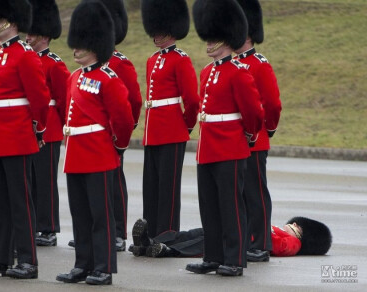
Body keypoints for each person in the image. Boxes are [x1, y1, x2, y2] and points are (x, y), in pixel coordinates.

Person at [0, 0, 50, 279]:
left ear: (12, 22)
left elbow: (39, 99)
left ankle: (27, 260)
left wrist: (38, 130)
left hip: (16, 136)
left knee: (20, 201)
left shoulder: (24, 54)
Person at [55, 0, 133, 285]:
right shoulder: (74, 77)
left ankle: (103, 266)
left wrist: (117, 147)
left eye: (82, 44)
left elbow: (123, 120)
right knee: (80, 215)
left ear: (96, 44)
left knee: (101, 216)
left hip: (99, 153)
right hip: (75, 153)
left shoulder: (108, 78)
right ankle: (83, 264)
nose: (75, 49)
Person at [187, 0, 264, 277]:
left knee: (231, 206)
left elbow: (254, 113)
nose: (208, 44)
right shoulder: (207, 71)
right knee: (209, 205)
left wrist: (247, 136)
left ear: (229, 39)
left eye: (215, 39)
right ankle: (213, 255)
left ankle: (234, 258)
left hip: (230, 147)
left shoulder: (239, 72)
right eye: (208, 38)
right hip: (207, 146)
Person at [68, 0, 142, 252]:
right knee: (84, 207)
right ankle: (87, 256)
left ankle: (117, 231)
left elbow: (131, 103)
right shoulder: (77, 76)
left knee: (110, 192)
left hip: (103, 143)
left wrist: (118, 140)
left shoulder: (117, 67)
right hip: (81, 147)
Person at [139, 0, 199, 245]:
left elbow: (192, 100)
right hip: (153, 130)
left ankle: (167, 233)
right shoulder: (152, 60)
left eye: (161, 30)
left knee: (168, 187)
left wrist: (185, 126)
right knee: (151, 185)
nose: (156, 35)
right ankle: (150, 230)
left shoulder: (181, 59)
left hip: (173, 130)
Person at [234, 0, 282, 262]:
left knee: (255, 192)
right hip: (234, 139)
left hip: (256, 138)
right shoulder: (232, 65)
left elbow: (273, 103)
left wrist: (269, 130)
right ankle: (246, 239)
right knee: (240, 193)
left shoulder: (259, 64)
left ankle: (261, 242)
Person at [26, 0, 70, 247]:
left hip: (50, 129)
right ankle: (34, 223)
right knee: (30, 179)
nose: (28, 37)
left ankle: (48, 228)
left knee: (45, 181)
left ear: (44, 35)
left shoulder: (54, 63)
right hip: (30, 128)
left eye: (32, 34)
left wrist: (62, 128)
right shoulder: (28, 59)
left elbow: (63, 99)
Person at [129, 217, 332, 258]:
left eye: (298, 227)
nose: (293, 225)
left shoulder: (294, 243)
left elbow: (279, 246)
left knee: (201, 243)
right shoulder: (281, 230)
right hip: (233, 228)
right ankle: (150, 243)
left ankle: (167, 251)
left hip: (241, 240)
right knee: (191, 234)